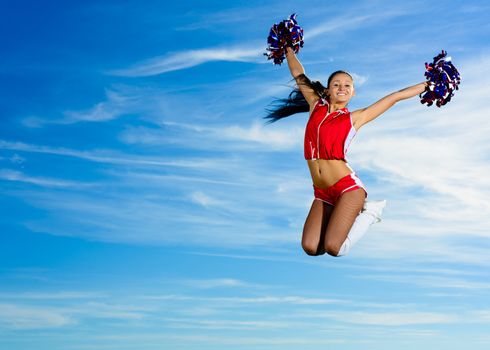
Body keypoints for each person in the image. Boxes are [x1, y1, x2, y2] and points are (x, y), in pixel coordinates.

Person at [268, 47, 428, 257]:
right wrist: (288, 48)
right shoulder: (315, 104)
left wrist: (429, 83)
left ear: (353, 92)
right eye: (336, 84)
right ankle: (340, 216)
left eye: (347, 85)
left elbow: (394, 97)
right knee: (311, 247)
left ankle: (371, 211)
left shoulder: (355, 118)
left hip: (347, 188)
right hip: (322, 192)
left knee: (334, 248)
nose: (341, 88)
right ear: (327, 90)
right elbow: (298, 73)